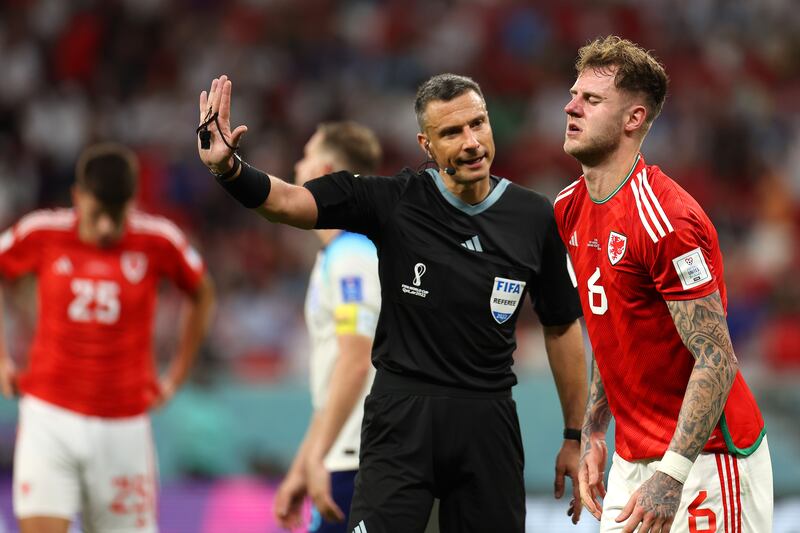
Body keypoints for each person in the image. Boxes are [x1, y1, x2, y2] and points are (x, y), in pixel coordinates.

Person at [197, 73, 587, 533]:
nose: (471, 142)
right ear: (426, 144)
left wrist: (573, 435)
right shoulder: (395, 200)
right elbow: (288, 202)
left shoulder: (533, 216)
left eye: (477, 124)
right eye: (451, 133)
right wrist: (228, 169)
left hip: (487, 420)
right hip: (402, 419)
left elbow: (561, 326)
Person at [554, 35, 772, 533]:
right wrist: (593, 431)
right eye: (573, 95)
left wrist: (673, 476)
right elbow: (609, 328)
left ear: (634, 119)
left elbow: (716, 356)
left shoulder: (666, 219)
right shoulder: (568, 210)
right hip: (634, 462)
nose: (570, 107)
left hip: (708, 463)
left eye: (591, 100)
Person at [0, 143, 215, 533]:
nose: (105, 228)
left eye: (116, 216)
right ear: (77, 197)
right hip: (50, 416)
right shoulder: (42, 231)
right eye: (97, 214)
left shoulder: (158, 239)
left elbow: (202, 292)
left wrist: (177, 374)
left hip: (125, 425)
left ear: (132, 202)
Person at [272, 121, 383, 532]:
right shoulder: (337, 255)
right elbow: (335, 377)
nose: (296, 167)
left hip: (357, 457)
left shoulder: (353, 255)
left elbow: (356, 363)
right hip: (340, 454)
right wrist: (303, 465)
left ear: (322, 169)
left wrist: (317, 456)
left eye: (304, 157)